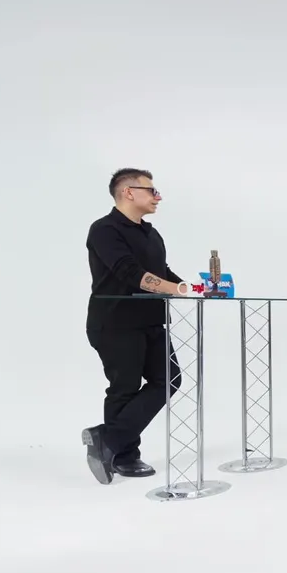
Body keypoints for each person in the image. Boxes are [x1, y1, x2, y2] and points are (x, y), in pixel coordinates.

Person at [82, 168, 190, 484]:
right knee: (124, 388)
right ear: (129, 192)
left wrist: (194, 288)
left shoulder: (151, 234)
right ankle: (125, 456)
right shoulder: (104, 230)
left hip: (152, 320)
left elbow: (161, 272)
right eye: (151, 190)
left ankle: (107, 440)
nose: (158, 197)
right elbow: (130, 273)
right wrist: (177, 289)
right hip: (115, 322)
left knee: (169, 379)